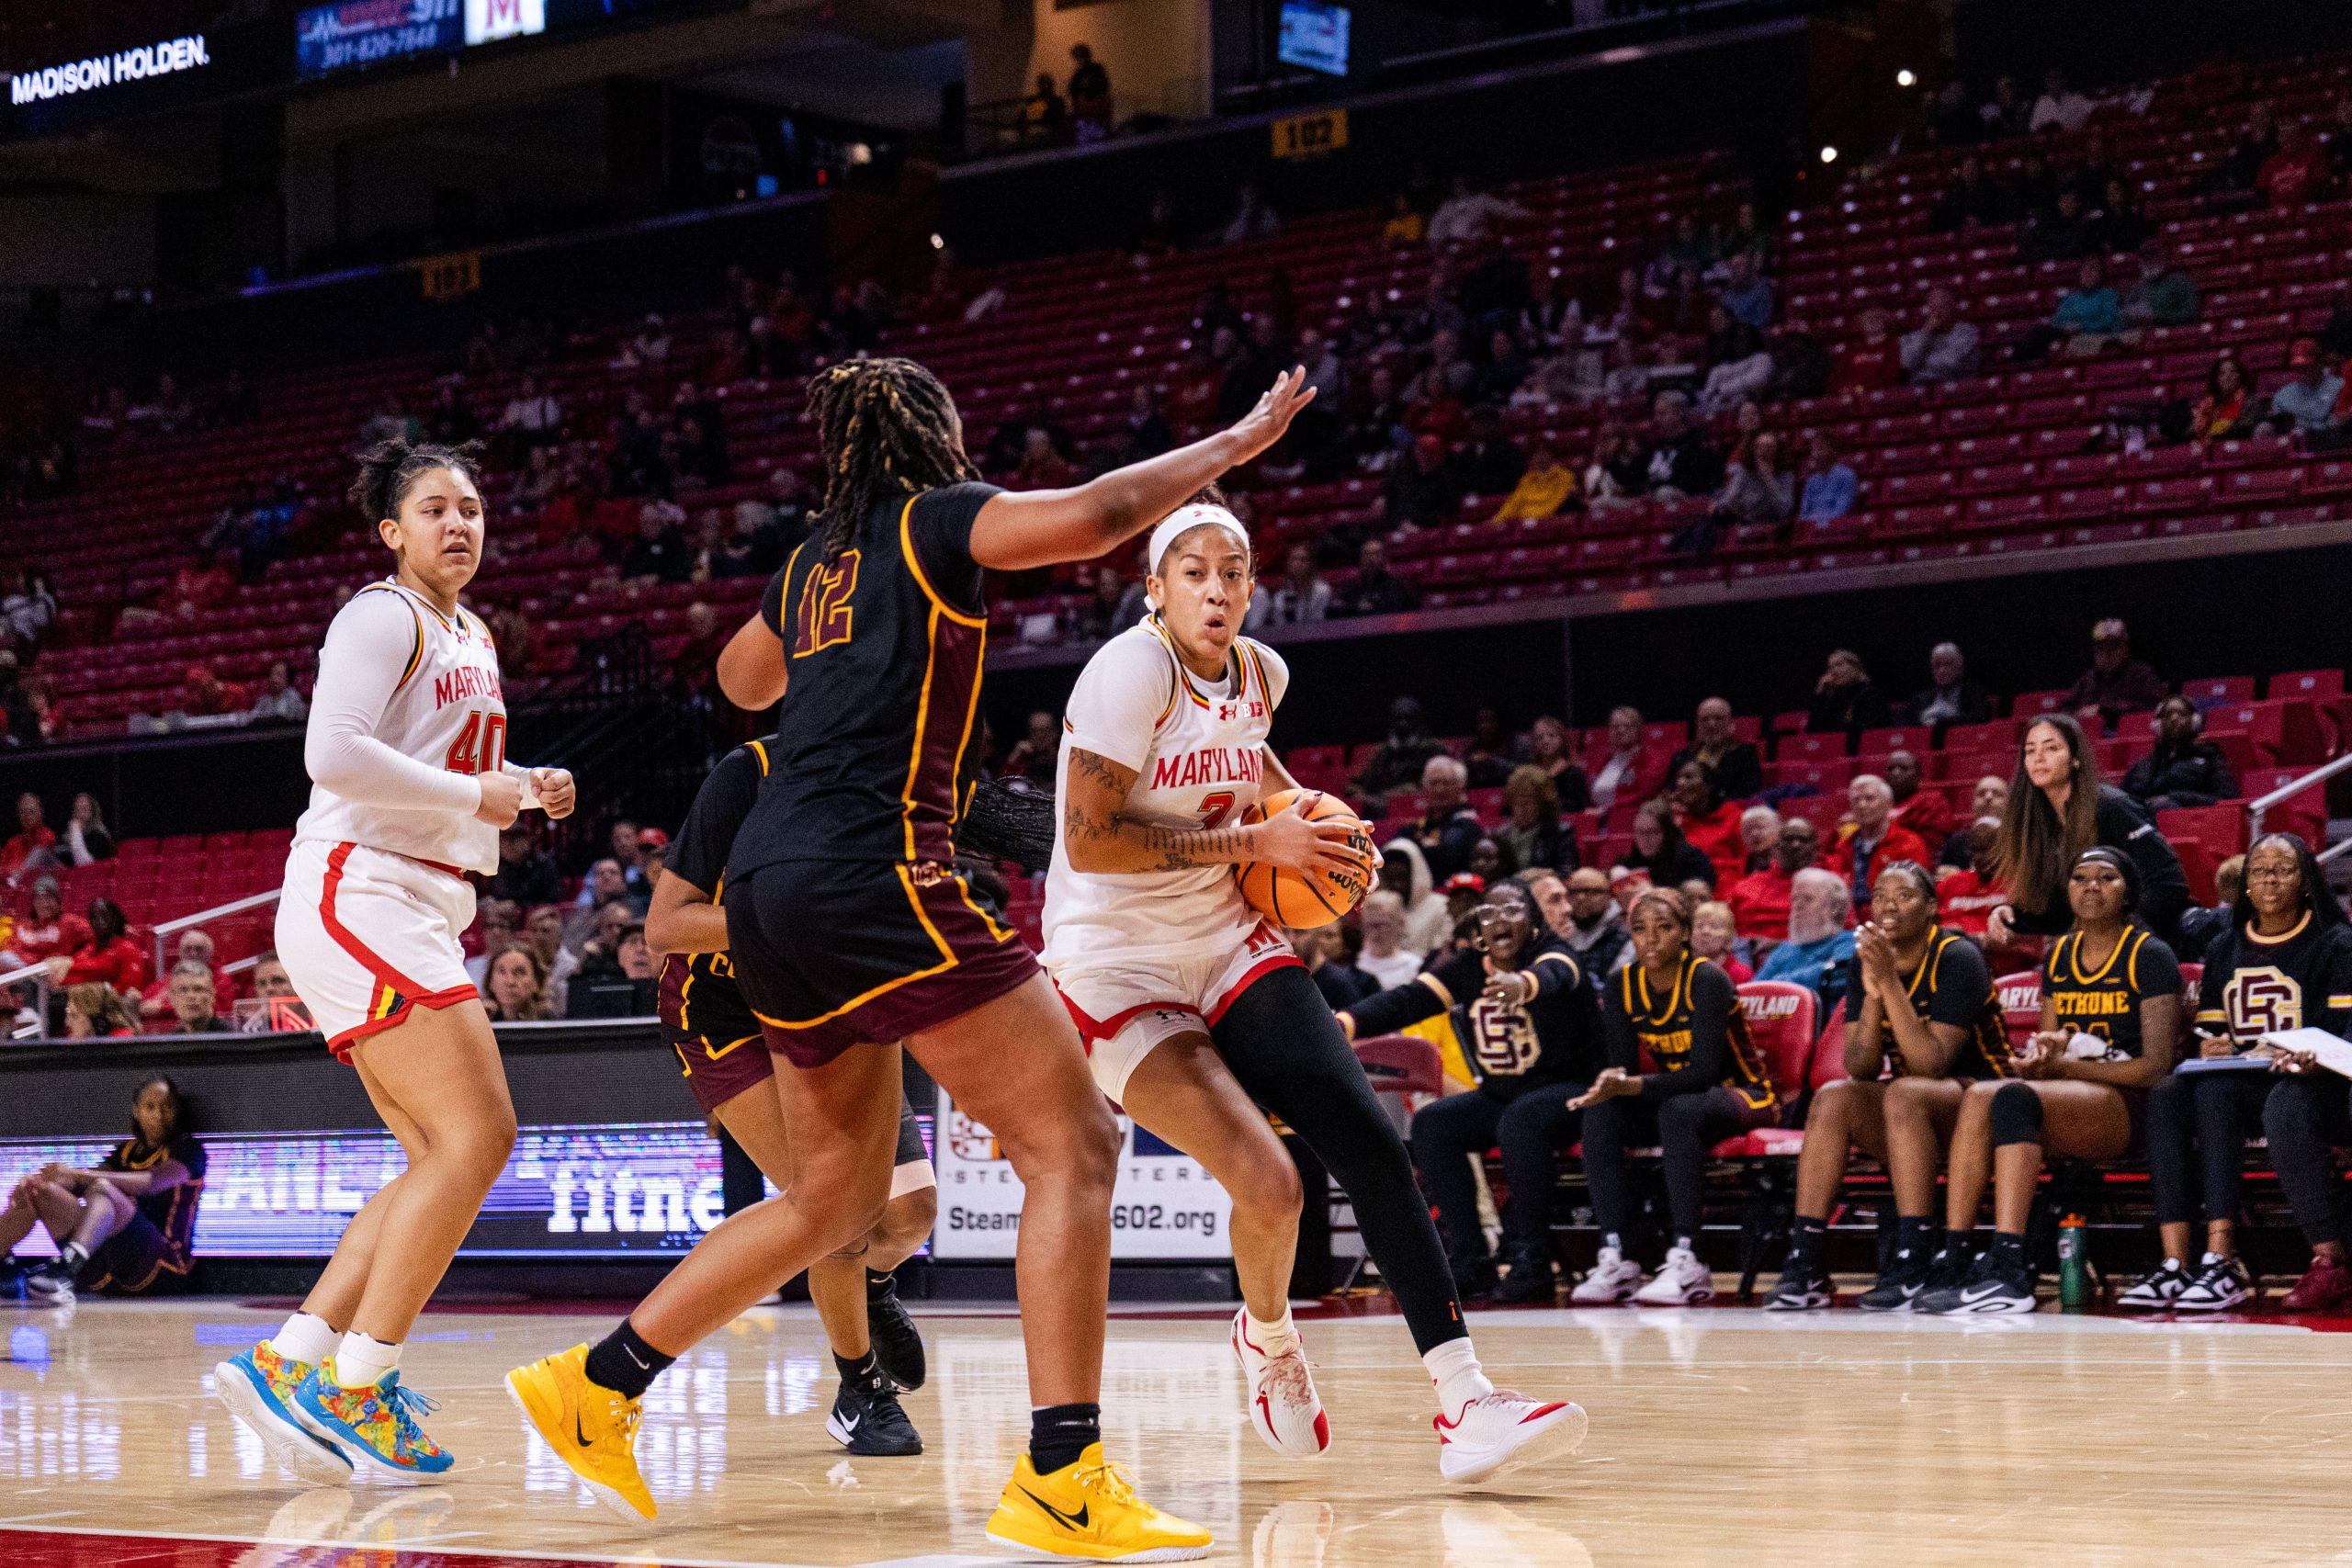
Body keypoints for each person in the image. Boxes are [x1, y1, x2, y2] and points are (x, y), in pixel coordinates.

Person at [512, 360, 1322, 1559]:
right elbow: (1098, 516)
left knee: (835, 1195)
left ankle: (599, 1380)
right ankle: (1062, 1470)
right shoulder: (936, 521)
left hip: (770, 889)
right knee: (1077, 1140)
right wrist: (1235, 443)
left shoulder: (812, 562)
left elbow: (741, 681)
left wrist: (830, 648)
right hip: (873, 869)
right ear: (930, 433)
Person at [1045, 496, 1581, 1482]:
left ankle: (1466, 1401)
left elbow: (1258, 776)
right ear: (1154, 588)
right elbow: (1090, 839)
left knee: (1371, 1139)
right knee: (1271, 1183)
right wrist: (1256, 842)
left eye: (1234, 571)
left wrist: (1322, 835)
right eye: (1194, 571)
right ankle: (1271, 1340)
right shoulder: (1129, 670)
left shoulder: (1261, 671)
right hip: (1111, 962)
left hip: (1225, 938)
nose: (1217, 589)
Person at [216, 439, 579, 1489]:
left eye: (470, 507)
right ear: (393, 531)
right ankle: (357, 1385)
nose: (458, 523)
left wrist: (519, 780)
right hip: (360, 889)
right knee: (482, 1135)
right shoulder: (382, 613)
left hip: (408, 892)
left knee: (442, 1155)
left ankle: (292, 1360)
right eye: (434, 509)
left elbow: (434, 764)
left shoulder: (468, 629)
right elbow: (331, 755)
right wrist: (480, 799)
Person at [644, 734, 938, 1454]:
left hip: (834, 1000)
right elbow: (665, 927)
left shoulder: (901, 779)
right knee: (834, 1208)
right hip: (727, 1010)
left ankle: (871, 1286)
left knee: (909, 1214)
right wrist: (796, 921)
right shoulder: (749, 773)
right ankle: (858, 1387)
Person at [1917, 850, 2183, 1314]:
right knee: (1982, 1094)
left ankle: (2009, 1265)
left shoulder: (2150, 955)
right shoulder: (2059, 954)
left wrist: (2064, 1070)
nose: (2091, 886)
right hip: (2067, 1097)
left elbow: (2155, 1067)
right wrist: (2037, 1061)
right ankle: (1955, 1255)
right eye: (2080, 878)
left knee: (2012, 1099)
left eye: (2107, 878)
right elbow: (2049, 1042)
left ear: (2129, 893)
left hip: (2129, 1103)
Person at [1764, 863, 2013, 1310]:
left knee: (1906, 1090)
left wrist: (1890, 986)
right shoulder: (1870, 958)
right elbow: (1859, 1066)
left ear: (1932, 908)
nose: (1889, 905)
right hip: (1915, 1115)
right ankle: (1806, 1261)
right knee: (1834, 1098)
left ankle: (1913, 1257)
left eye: (1904, 895)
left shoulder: (1958, 956)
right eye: (1880, 895)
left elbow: (1931, 1063)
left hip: (1985, 1105)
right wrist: (1875, 991)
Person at [1344, 878, 1604, 1305]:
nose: (1498, 921)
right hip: (1507, 1094)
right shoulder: (1470, 967)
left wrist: (1523, 985)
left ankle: (1532, 1262)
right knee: (1434, 1124)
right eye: (1488, 913)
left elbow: (1559, 973)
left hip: (1573, 1091)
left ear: (1533, 921)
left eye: (1512, 911)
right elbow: (1409, 999)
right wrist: (1347, 1022)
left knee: (1520, 1121)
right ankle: (1470, 1263)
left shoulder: (1555, 952)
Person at [2130, 834, 2352, 1314]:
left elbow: (2344, 1032)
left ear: (2308, 881)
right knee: (2175, 1092)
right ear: (2245, 883)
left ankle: (2330, 1259)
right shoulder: (2226, 945)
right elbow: (2213, 1024)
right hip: (2247, 1077)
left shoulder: (2336, 942)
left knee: (2285, 1101)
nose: (2269, 879)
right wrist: (2210, 1044)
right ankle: (2190, 1261)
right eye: (2259, 870)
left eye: (2283, 869)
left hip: (2321, 1084)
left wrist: (2313, 1057)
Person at [1570, 889, 1781, 1304]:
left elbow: (1703, 1073)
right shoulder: (1621, 984)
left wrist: (1631, 1085)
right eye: (1640, 930)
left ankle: (1688, 1257)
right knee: (1602, 1114)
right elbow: (1623, 1066)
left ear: (1684, 933)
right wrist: (1608, 1084)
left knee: (1679, 1111)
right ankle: (1617, 1256)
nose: (1650, 939)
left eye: (1663, 928)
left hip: (1744, 1094)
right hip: (1678, 1098)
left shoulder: (1707, 979)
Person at [1986, 714, 2189, 947]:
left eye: (2051, 748)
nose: (2038, 758)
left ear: (2075, 759)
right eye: (2030, 751)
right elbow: (2059, 915)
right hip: (2094, 943)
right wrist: (2011, 916)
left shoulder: (2111, 806)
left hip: (2147, 940)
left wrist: (2120, 928)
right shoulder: (2037, 823)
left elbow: (2169, 883)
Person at [0, 1076, 203, 1305]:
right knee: (40, 1192)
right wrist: (35, 1182)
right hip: (107, 1270)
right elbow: (79, 1184)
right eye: (150, 1107)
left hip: (164, 1269)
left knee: (103, 1188)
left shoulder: (189, 1150)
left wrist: (76, 1174)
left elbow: (152, 1183)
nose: (158, 1115)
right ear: (137, 1112)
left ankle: (66, 1267)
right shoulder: (126, 1151)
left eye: (167, 1107)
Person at [2120, 694, 2238, 810]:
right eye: (2168, 715)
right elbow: (2123, 802)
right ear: (2157, 724)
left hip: (2187, 823)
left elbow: (2225, 799)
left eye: (2181, 714)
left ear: (2194, 722)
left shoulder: (2210, 759)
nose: (2174, 719)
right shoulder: (2143, 766)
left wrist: (2175, 798)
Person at [1837, 775, 1931, 913]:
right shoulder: (1843, 846)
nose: (1862, 805)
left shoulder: (1909, 844)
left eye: (1869, 799)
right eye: (1856, 800)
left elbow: (1914, 895)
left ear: (1888, 803)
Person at [1728, 817, 1817, 945]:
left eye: (1803, 840)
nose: (1795, 845)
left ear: (1815, 847)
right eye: (1788, 839)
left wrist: (1780, 945)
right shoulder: (1746, 885)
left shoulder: (1830, 886)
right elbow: (1727, 926)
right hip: (1748, 952)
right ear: (1777, 846)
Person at [42, 897, 146, 995]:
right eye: (94, 917)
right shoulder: (86, 950)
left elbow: (129, 989)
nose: (99, 922)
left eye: (104, 916)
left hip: (107, 1007)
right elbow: (68, 978)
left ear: (114, 920)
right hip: (71, 1001)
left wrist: (94, 991)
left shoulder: (127, 949)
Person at [1667, 697, 1763, 801]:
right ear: (1697, 725)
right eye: (1705, 719)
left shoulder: (1745, 755)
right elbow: (1671, 791)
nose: (1711, 725)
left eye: (1718, 718)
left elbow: (1745, 794)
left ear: (1731, 723)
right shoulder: (1681, 758)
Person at [1669, 761, 1747, 891]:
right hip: (1685, 889)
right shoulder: (1676, 821)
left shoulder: (1734, 816)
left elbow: (1745, 862)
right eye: (1678, 779)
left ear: (1708, 786)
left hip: (1726, 890)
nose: (1680, 783)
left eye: (1688, 777)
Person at [1410, 755, 1482, 882]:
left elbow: (1449, 858)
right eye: (1433, 783)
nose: (1439, 790)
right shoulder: (1418, 825)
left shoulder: (1468, 824)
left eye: (1446, 783)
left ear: (1460, 787)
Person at [1496, 764, 1574, 876]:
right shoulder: (1502, 835)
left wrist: (1539, 875)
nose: (1522, 809)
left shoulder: (1560, 833)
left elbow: (1566, 872)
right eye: (1517, 803)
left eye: (1528, 803)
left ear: (1543, 804)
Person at [1622, 798, 1714, 891]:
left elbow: (1697, 899)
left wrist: (1652, 891)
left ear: (1667, 833)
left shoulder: (1693, 860)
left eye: (1653, 831)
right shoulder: (1628, 863)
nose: (1645, 838)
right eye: (1639, 832)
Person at [1899, 288, 1982, 385]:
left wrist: (1920, 365)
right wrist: (1925, 336)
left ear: (1953, 307)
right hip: (1920, 387)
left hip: (1957, 387)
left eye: (1943, 307)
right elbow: (1906, 364)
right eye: (1933, 307)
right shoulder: (1914, 337)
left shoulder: (1967, 332)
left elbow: (1951, 363)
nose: (1938, 312)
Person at [1907, 642, 1990, 733]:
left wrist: (1944, 722)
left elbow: (1980, 719)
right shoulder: (1920, 700)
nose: (1942, 671)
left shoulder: (1974, 694)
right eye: (1937, 666)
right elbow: (1907, 727)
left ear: (1959, 668)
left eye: (1947, 665)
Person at [1808, 648, 1890, 736]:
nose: (1834, 671)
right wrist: (1820, 693)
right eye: (1830, 668)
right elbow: (1813, 732)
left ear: (1855, 667)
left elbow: (1869, 731)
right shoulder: (1835, 700)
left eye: (1839, 665)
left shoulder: (1871, 696)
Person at [1587, 705, 1651, 813]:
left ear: (1638, 729)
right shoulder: (1600, 760)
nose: (1621, 730)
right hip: (1594, 820)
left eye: (1627, 726)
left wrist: (1604, 811)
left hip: (1630, 818)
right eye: (1615, 727)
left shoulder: (1649, 759)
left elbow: (1644, 795)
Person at [1355, 890, 1424, 987]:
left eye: (1381, 925)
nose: (1375, 934)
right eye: (1369, 925)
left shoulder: (1414, 966)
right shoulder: (1354, 965)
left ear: (1400, 924)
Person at [157, 960, 233, 1034]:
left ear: (212, 995)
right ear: (172, 998)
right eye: (183, 990)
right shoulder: (170, 1042)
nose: (191, 996)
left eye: (198, 989)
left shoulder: (232, 1039)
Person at [480, 947, 550, 1023]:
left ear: (537, 983)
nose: (510, 982)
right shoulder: (480, 1020)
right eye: (502, 972)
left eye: (520, 972)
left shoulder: (551, 1025)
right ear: (490, 982)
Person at [1691, 900, 1752, 983]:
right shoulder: (1681, 969)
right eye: (1699, 926)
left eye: (1715, 927)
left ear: (1729, 937)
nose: (1705, 931)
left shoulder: (1741, 974)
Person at [61, 980, 139, 1038]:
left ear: (98, 1021)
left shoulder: (121, 1046)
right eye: (67, 1014)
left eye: (74, 1016)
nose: (67, 1022)